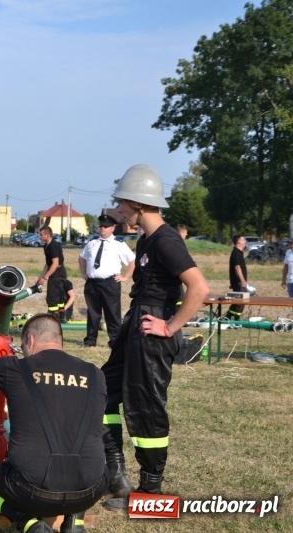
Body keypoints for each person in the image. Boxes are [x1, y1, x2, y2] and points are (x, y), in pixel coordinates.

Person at [0, 314, 107, 533]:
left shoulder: (16, 370)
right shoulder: (95, 374)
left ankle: (30, 525)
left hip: (34, 492)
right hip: (91, 491)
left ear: (30, 340)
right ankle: (74, 524)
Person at [100, 164, 209, 509]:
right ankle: (116, 476)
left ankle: (150, 493)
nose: (118, 211)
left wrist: (169, 327)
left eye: (121, 205)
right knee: (102, 391)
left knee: (146, 409)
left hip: (153, 331)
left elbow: (199, 287)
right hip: (136, 326)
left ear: (138, 204)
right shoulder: (146, 239)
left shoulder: (166, 241)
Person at [78, 214, 136, 347]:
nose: (102, 229)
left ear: (113, 228)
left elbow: (132, 261)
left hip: (110, 283)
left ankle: (115, 341)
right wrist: (84, 273)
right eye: (101, 226)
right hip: (92, 283)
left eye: (106, 226)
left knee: (112, 313)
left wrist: (125, 277)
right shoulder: (92, 243)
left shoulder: (118, 245)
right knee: (93, 313)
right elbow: (82, 258)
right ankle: (90, 340)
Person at [36, 226, 68, 321]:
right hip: (54, 273)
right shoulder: (46, 246)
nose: (39, 236)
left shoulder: (54, 246)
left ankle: (55, 318)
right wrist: (40, 277)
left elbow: (55, 264)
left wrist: (45, 278)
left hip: (58, 274)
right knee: (57, 297)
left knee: (53, 297)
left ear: (47, 235)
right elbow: (48, 264)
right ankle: (61, 317)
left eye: (41, 234)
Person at [225, 235, 248, 320]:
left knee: (238, 300)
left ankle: (228, 316)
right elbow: (237, 267)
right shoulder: (236, 253)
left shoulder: (239, 252)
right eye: (243, 239)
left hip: (237, 282)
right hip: (238, 282)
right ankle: (236, 318)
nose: (245, 241)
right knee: (241, 300)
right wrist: (242, 281)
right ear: (238, 242)